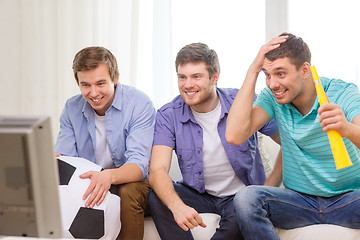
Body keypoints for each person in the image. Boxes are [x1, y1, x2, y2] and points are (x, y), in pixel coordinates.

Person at [226, 33, 360, 240]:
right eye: (267, 74)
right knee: (246, 198)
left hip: (348, 200)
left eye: (280, 73)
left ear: (305, 70)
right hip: (298, 202)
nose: (272, 84)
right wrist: (252, 70)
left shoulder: (342, 92)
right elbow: (235, 135)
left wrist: (347, 129)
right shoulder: (272, 98)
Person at [148, 42, 282, 240]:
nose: (187, 85)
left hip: (241, 196)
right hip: (199, 194)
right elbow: (157, 170)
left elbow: (288, 142)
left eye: (196, 77)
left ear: (214, 77)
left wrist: (269, 188)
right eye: (182, 77)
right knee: (157, 196)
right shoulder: (169, 114)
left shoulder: (243, 101)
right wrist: (177, 206)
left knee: (245, 207)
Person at [55, 46, 156, 240]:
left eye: (100, 83)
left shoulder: (139, 103)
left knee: (128, 191)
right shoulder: (71, 108)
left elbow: (139, 166)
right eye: (85, 85)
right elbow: (66, 159)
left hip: (134, 183)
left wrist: (109, 177)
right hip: (91, 182)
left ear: (115, 78)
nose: (93, 93)